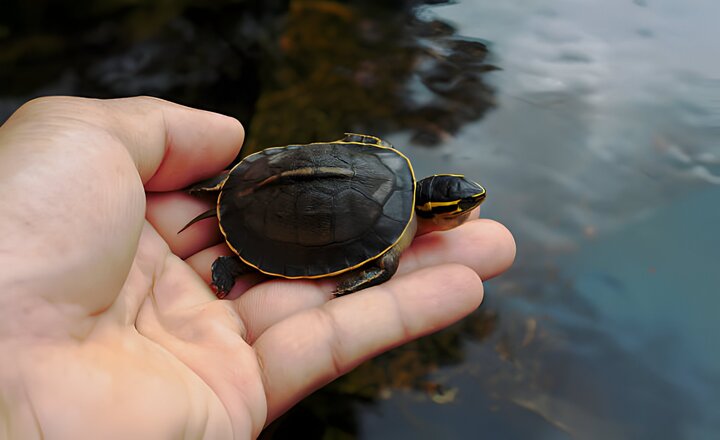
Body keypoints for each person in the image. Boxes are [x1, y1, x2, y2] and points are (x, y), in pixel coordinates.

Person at [0, 96, 515, 439]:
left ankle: (229, 212)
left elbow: (348, 145)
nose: (467, 204)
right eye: (459, 204)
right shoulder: (391, 234)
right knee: (373, 267)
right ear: (435, 207)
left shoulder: (387, 155)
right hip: (271, 212)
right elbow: (377, 266)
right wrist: (365, 278)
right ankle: (236, 263)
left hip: (255, 175)